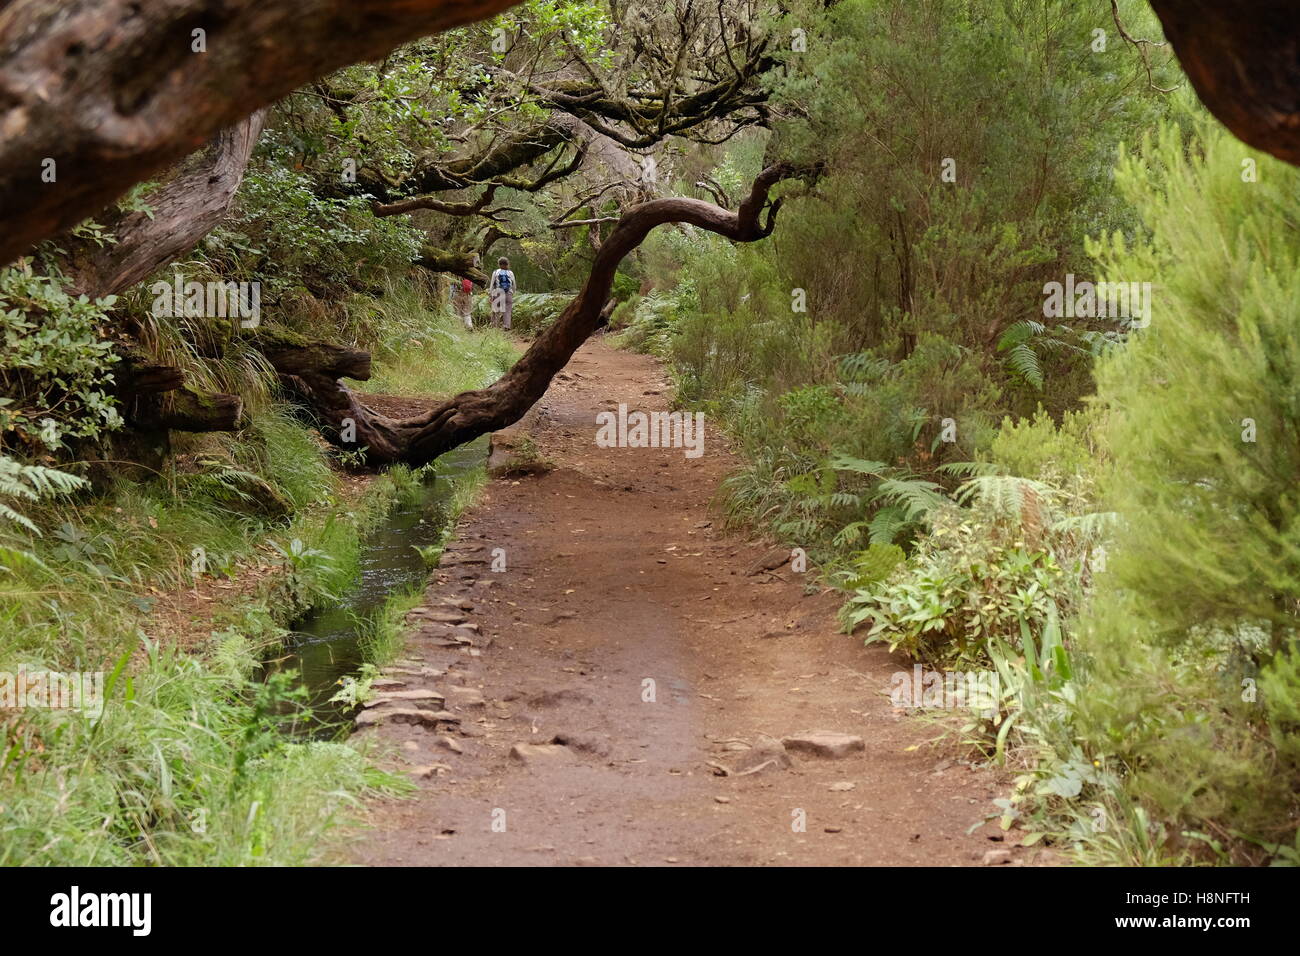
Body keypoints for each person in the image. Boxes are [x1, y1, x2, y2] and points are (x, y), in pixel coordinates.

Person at [489, 256, 516, 331]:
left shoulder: (495, 272)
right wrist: (512, 293)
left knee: (496, 311)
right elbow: (514, 285)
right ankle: (506, 326)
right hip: (508, 294)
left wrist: (491, 295)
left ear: (499, 264)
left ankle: (495, 327)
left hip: (497, 293)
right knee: (507, 311)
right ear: (507, 264)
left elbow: (492, 285)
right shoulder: (510, 273)